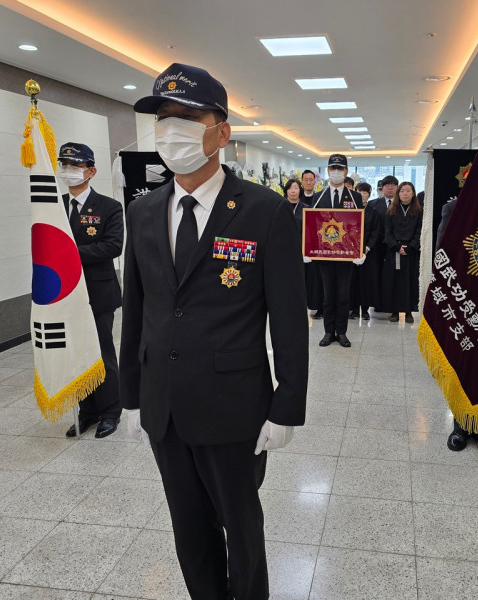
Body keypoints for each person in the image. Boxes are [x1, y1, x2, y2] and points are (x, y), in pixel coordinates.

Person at [120, 62, 309, 600]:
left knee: (241, 528)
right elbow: (138, 310)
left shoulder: (265, 212)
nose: (170, 130)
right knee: (189, 528)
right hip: (164, 405)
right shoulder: (143, 211)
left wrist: (287, 403)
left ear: (221, 133)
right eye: (163, 118)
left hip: (233, 406)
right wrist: (130, 395)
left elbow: (289, 318)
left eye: (186, 118)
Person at [58, 142, 124, 439]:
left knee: (100, 352)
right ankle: (88, 411)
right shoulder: (55, 206)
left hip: (98, 293)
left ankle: (110, 411)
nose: (68, 171)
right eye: (64, 165)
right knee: (77, 355)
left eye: (75, 166)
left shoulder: (109, 207)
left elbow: (112, 246)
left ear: (91, 171)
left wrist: (70, 253)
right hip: (66, 294)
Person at [436, 196, 478, 457]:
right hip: (463, 298)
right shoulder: (454, 208)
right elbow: (442, 252)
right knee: (464, 362)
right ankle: (460, 426)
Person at [308, 154, 363, 347]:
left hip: (346, 256)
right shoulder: (318, 197)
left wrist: (360, 250)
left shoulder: (355, 197)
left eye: (340, 169)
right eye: (333, 168)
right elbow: (312, 226)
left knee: (343, 297)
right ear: (328, 170)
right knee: (328, 296)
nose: (336, 172)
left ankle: (342, 333)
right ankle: (328, 332)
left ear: (346, 171)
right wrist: (308, 249)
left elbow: (359, 226)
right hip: (325, 255)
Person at [380, 182, 421, 324]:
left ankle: (409, 311)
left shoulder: (419, 211)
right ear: (398, 193)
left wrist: (411, 246)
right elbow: (387, 232)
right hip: (394, 250)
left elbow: (419, 231)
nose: (405, 193)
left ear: (413, 193)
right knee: (394, 281)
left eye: (408, 190)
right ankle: (394, 311)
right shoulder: (391, 210)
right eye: (402, 191)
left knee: (410, 280)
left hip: (411, 251)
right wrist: (396, 246)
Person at [349, 182, 382, 320]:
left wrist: (368, 247)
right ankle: (354, 309)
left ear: (369, 195)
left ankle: (365, 309)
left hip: (367, 252)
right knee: (352, 280)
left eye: (365, 192)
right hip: (351, 252)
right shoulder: (349, 210)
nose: (362, 195)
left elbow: (376, 231)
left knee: (366, 282)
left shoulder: (373, 212)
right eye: (359, 192)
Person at [370, 175, 398, 313]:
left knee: (394, 275)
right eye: (387, 185)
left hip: (395, 246)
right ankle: (378, 303)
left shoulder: (402, 204)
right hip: (377, 245)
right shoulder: (373, 204)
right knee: (377, 274)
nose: (390, 187)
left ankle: (393, 305)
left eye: (393, 185)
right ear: (382, 188)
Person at [300, 169, 323, 318]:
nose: (308, 182)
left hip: (316, 244)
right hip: (299, 244)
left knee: (316, 277)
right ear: (302, 182)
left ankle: (318, 306)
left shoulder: (320, 198)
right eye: (306, 180)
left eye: (311, 179)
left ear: (315, 181)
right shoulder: (297, 198)